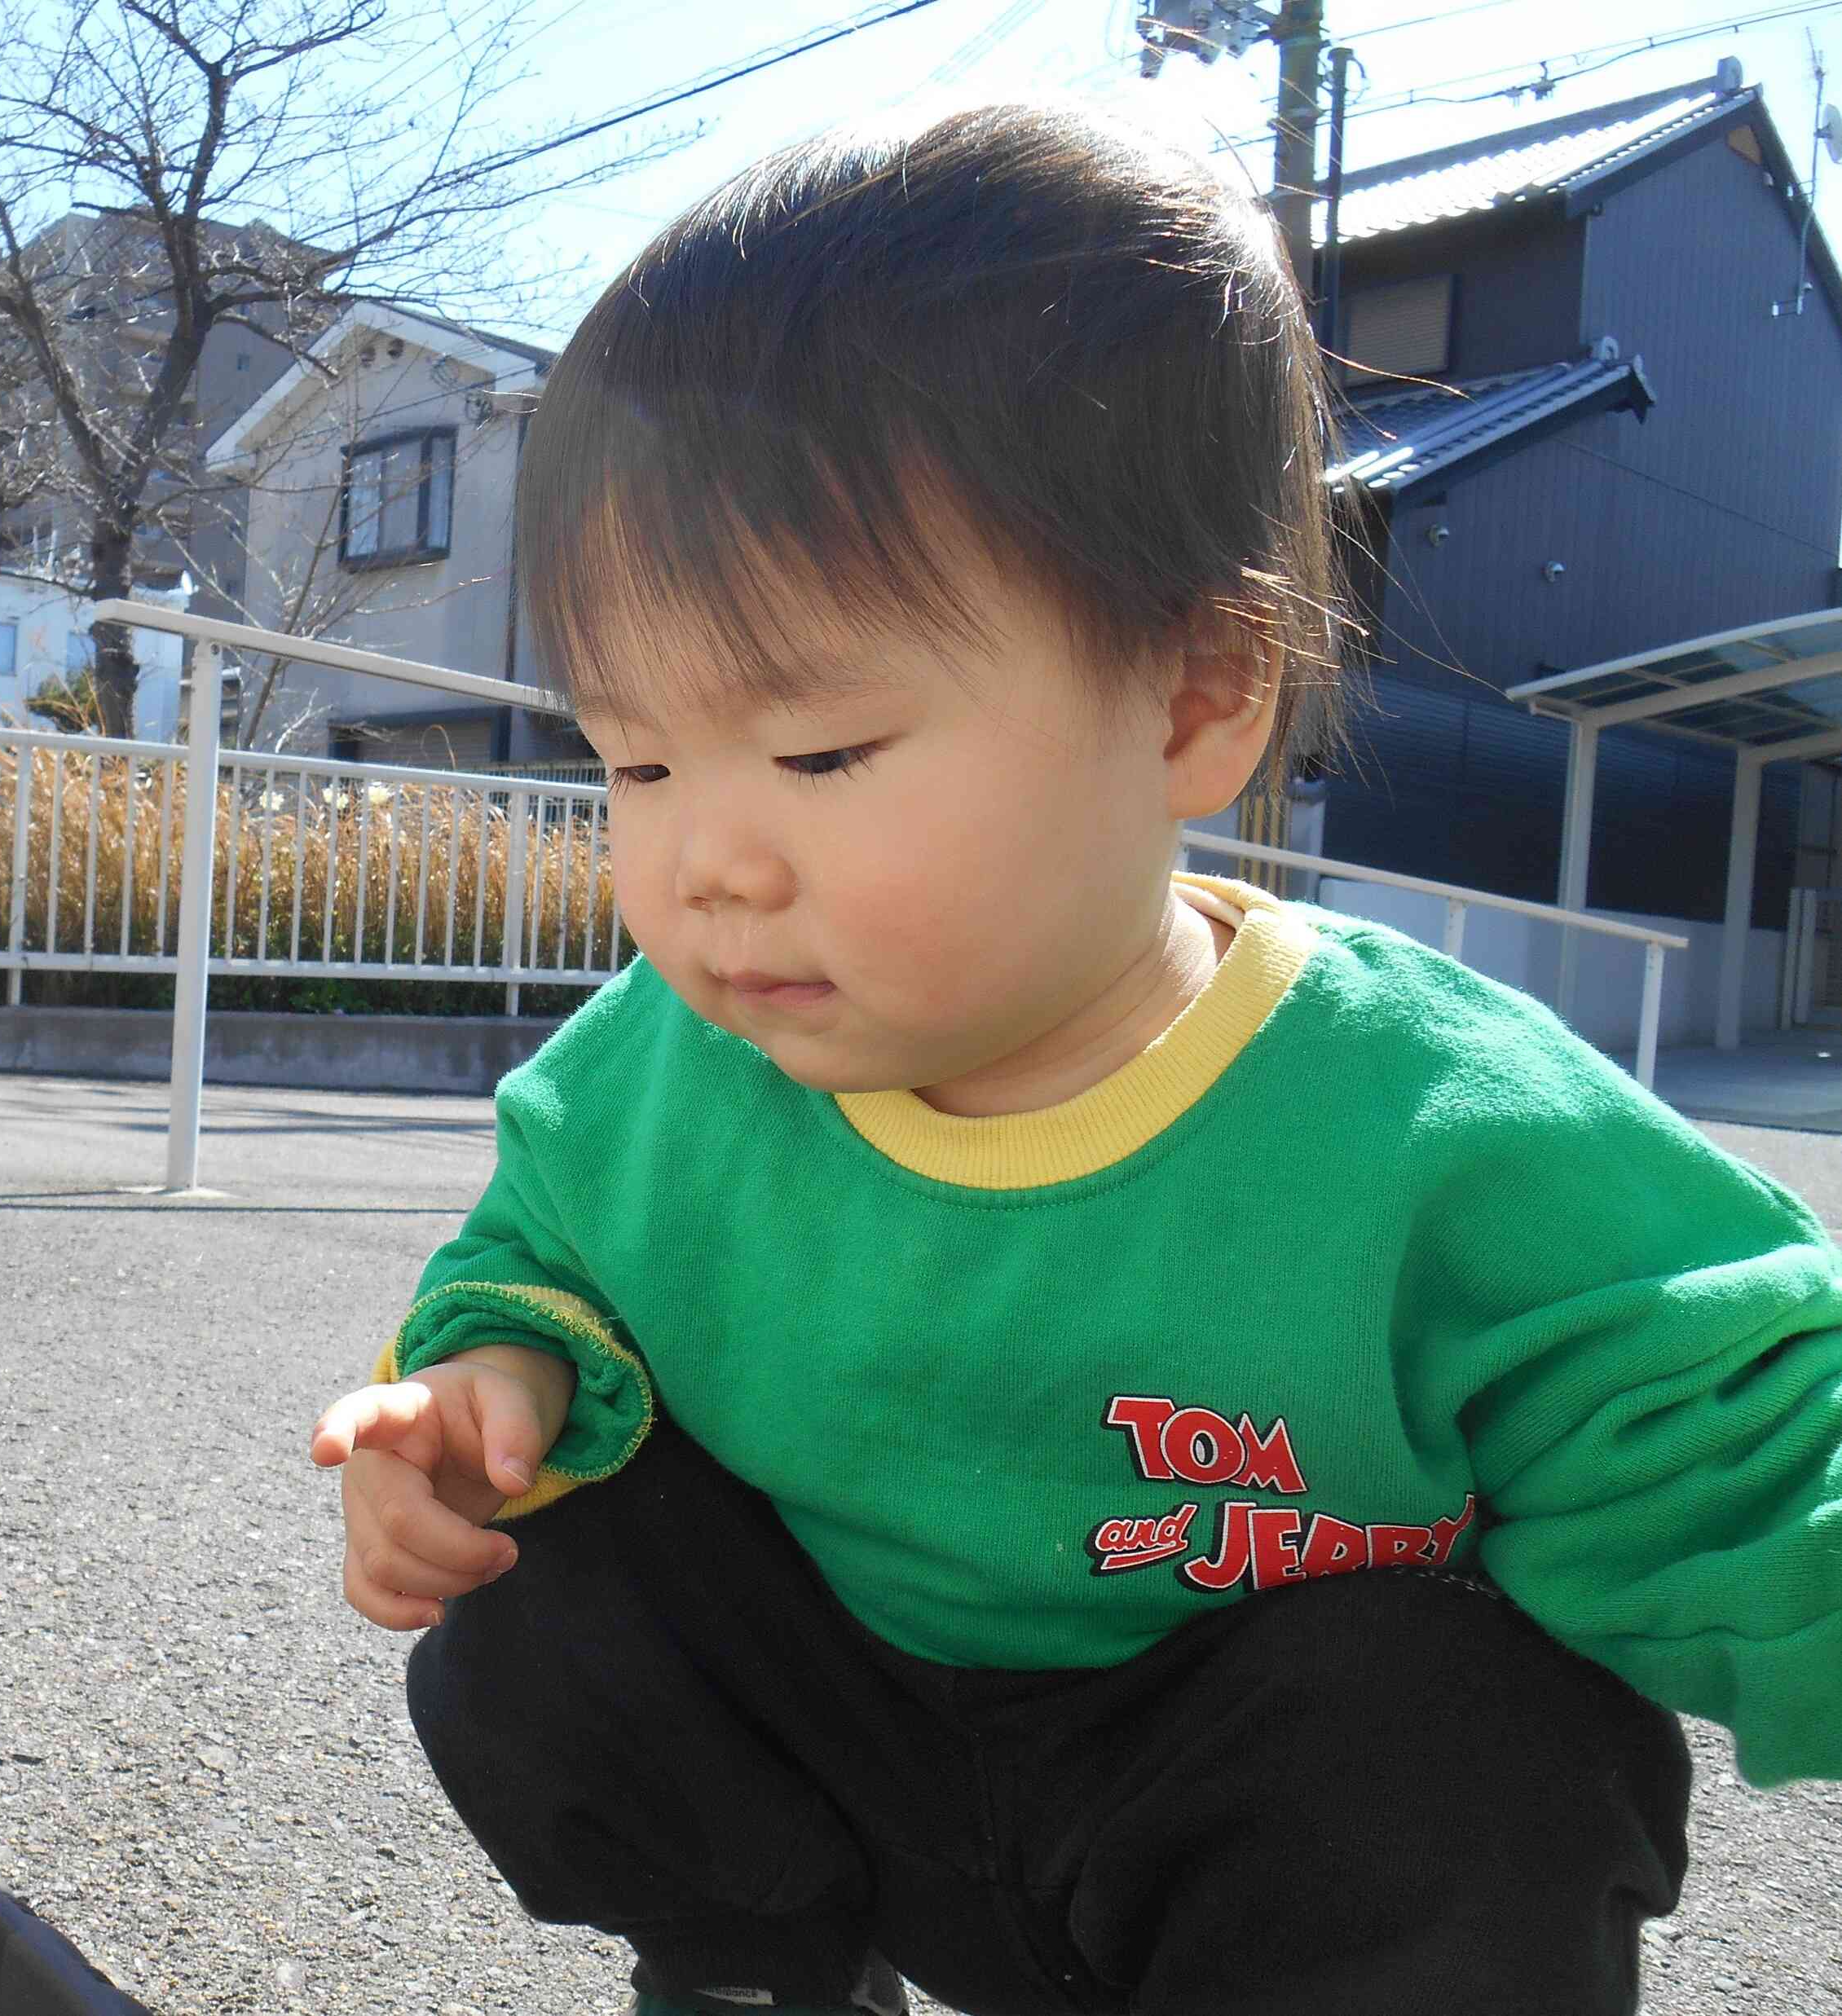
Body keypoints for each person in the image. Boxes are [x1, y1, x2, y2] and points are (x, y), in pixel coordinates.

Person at [309, 94, 1837, 2016]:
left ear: (1194, 698)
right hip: (837, 1768)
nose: (705, 859)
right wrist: (477, 1385)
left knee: (1457, 1732)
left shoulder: (1429, 1118)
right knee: (551, 1581)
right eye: (633, 760)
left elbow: (1749, 1451)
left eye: (818, 752)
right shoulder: (665, 1065)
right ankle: (758, 1974)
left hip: (1228, 1838)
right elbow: (539, 1249)